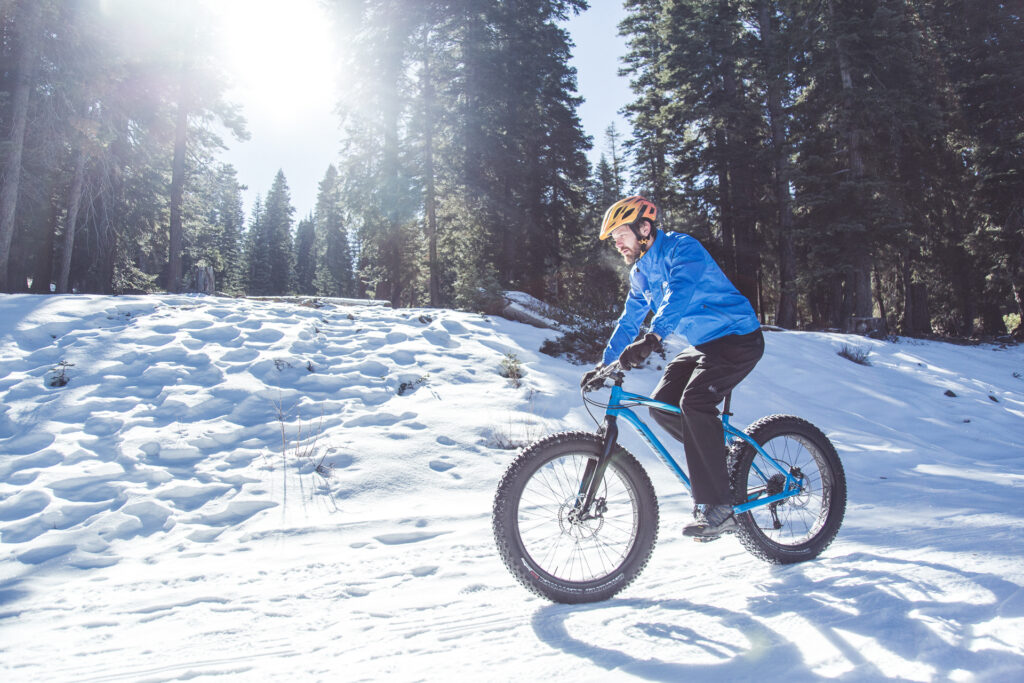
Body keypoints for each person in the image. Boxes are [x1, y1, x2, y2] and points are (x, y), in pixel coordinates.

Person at [581, 196, 764, 539]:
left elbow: (678, 293)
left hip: (738, 338)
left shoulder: (683, 248)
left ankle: (719, 506)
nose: (617, 242)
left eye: (621, 233)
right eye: (614, 237)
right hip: (706, 345)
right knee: (661, 407)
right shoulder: (640, 274)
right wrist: (604, 364)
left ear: (644, 228)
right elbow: (629, 318)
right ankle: (721, 456)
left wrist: (655, 337)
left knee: (694, 402)